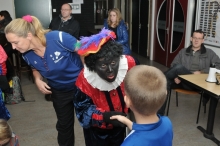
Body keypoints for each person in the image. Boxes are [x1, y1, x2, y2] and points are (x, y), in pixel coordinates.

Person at [5, 15, 83, 146]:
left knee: (92, 122)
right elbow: (35, 67)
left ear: (29, 35)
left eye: (15, 42)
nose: (13, 48)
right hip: (59, 91)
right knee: (64, 126)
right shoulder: (26, 54)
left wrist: (88, 75)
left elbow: (85, 50)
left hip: (82, 87)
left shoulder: (59, 38)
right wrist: (37, 79)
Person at [74, 28, 136, 146]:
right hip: (96, 133)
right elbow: (82, 111)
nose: (110, 70)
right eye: (103, 65)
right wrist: (105, 117)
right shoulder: (84, 80)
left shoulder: (129, 64)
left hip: (121, 128)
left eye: (113, 63)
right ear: (93, 66)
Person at [158, 29, 220, 115]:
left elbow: (218, 66)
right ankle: (159, 115)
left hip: (197, 84)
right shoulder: (183, 51)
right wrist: (178, 76)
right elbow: (173, 65)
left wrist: (201, 72)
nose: (196, 40)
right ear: (191, 38)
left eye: (199, 38)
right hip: (182, 81)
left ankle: (156, 80)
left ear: (203, 40)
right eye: (194, 37)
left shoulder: (209, 53)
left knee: (178, 68)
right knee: (165, 82)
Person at [110, 65, 173, 146]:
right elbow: (147, 130)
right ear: (165, 94)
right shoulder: (167, 122)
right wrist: (127, 122)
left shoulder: (130, 143)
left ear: (127, 101)